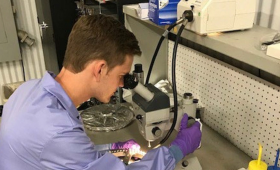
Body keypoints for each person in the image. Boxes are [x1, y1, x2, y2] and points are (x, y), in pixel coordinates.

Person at [0, 14, 201, 170]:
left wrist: (107, 150)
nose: (122, 85)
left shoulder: (29, 89)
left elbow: (62, 156)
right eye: (121, 75)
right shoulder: (57, 130)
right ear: (100, 69)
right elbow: (60, 144)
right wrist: (176, 150)